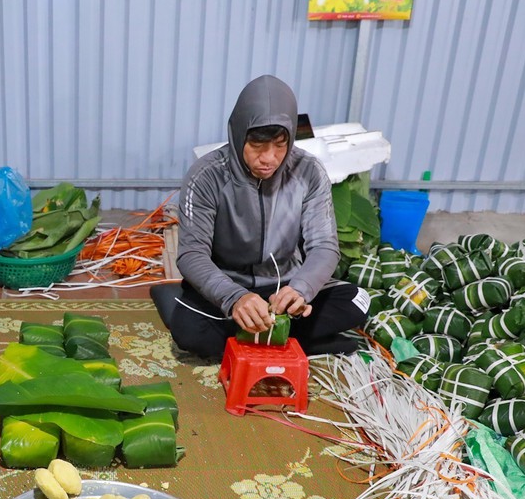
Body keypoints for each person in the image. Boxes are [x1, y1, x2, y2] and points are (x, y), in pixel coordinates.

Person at [158, 75, 368, 359]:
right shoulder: (206, 175)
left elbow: (324, 246)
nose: (269, 158)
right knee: (190, 333)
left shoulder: (309, 172)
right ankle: (291, 343)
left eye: (280, 145)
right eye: (257, 145)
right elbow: (192, 254)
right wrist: (235, 298)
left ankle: (253, 340)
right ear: (238, 133)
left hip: (283, 287)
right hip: (226, 285)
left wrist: (301, 290)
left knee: (356, 302)